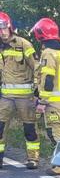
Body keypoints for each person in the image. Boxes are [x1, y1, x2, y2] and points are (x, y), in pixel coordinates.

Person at [30, 17, 60, 174]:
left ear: (41, 34)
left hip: (53, 102)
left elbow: (48, 78)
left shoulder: (48, 53)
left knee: (55, 133)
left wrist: (42, 101)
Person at [0, 11, 40, 169]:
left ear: (10, 27)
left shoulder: (23, 44)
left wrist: (38, 92)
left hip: (25, 98)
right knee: (0, 129)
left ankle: (33, 159)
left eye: (4, 28)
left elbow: (37, 67)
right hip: (5, 98)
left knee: (30, 129)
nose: (1, 32)